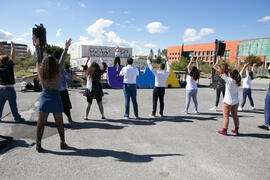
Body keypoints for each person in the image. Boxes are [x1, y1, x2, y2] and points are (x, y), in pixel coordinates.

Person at [33, 35, 72, 152]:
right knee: (59, 121)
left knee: (41, 122)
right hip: (56, 97)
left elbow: (39, 59)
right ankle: (62, 142)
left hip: (45, 97)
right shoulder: (58, 70)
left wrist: (37, 46)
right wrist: (66, 48)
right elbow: (62, 59)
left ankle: (38, 144)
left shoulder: (41, 71)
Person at [213, 56, 242, 136]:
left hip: (228, 101)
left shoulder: (228, 80)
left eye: (229, 73)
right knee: (235, 116)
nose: (228, 73)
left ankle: (224, 130)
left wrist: (218, 63)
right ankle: (236, 130)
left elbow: (221, 72)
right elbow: (240, 74)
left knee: (226, 116)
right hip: (235, 102)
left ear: (230, 75)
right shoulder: (238, 80)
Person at [0, 42, 25, 122]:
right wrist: (12, 47)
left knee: (0, 105)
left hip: (1, 88)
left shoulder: (0, 66)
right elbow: (12, 56)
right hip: (9, 88)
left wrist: (1, 50)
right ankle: (17, 118)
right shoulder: (10, 65)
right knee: (13, 105)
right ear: (8, 60)